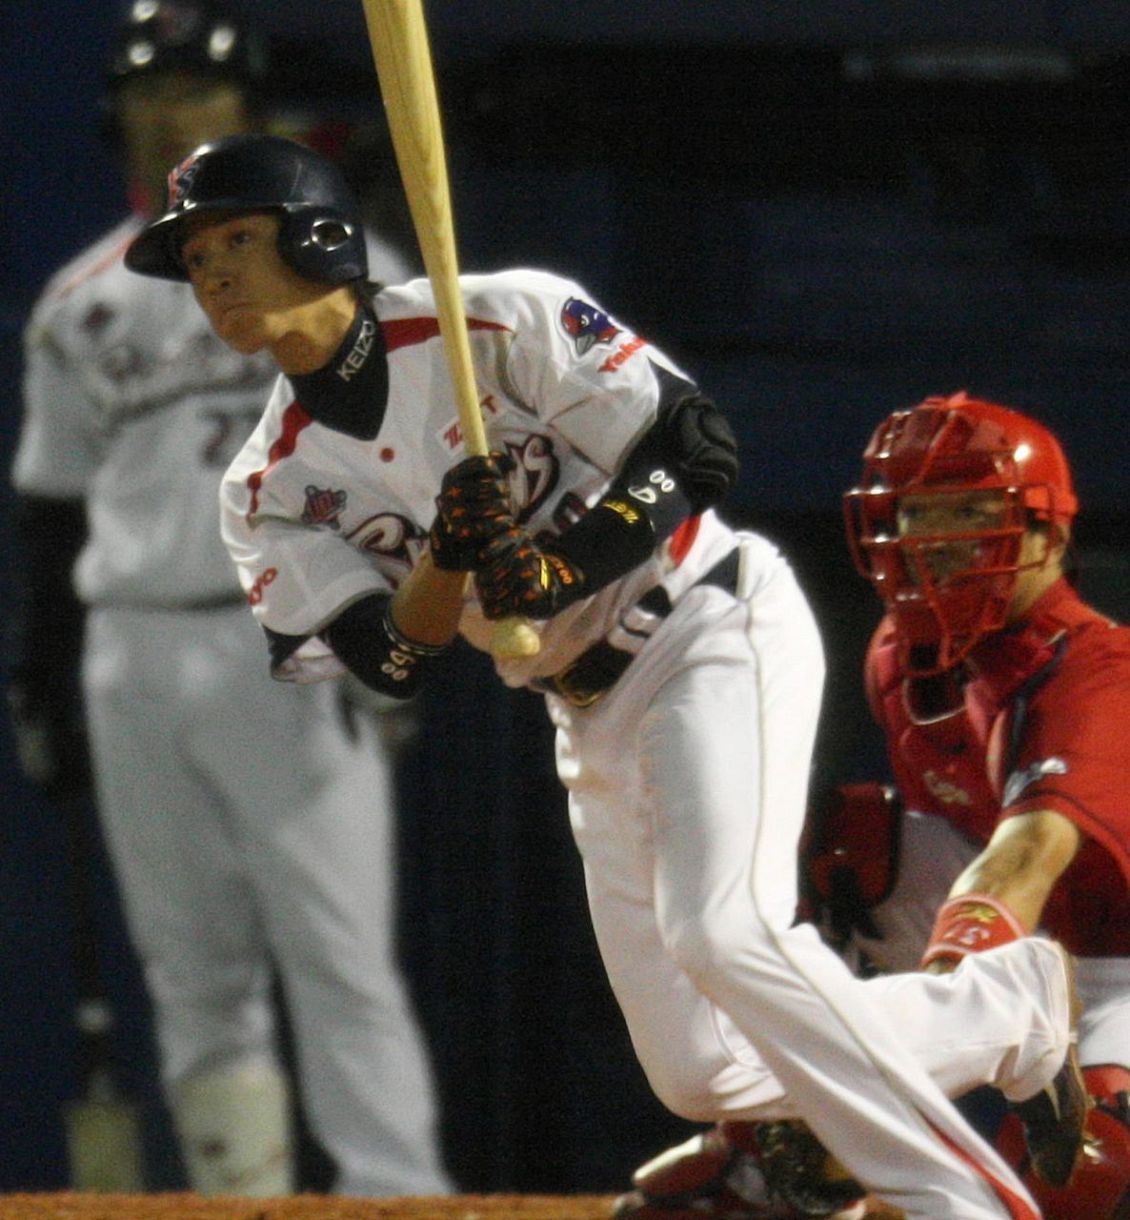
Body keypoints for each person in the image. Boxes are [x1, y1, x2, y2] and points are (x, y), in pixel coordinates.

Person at [125, 132, 1086, 1220]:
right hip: (582, 706)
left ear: (319, 235)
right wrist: (448, 555)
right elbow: (386, 656)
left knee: (726, 932)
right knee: (700, 1069)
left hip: (701, 622)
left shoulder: (493, 317)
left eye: (234, 239)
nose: (208, 273)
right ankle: (997, 1007)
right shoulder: (265, 482)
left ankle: (962, 1200)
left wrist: (554, 564)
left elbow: (694, 443)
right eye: (192, 257)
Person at [8, 1, 449, 1197]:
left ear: (249, 116)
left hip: (296, 638)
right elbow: (49, 513)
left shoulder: (349, 265)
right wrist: (38, 676)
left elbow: (419, 458)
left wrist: (401, 628)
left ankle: (393, 1190)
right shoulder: (78, 299)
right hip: (134, 647)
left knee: (339, 958)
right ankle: (232, 1198)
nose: (171, 121)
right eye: (150, 99)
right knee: (192, 971)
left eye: (197, 96)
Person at [617, 392, 1130, 1219]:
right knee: (843, 847)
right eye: (919, 514)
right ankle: (776, 1149)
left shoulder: (1097, 670)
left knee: (1093, 1170)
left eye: (970, 511)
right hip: (1036, 938)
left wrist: (949, 1010)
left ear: (1050, 532)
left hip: (1114, 959)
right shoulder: (899, 652)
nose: (937, 543)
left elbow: (1022, 861)